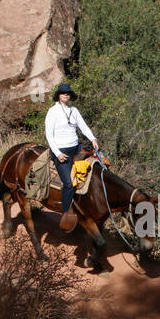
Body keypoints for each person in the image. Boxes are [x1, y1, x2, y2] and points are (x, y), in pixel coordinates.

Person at [43, 83, 99, 232]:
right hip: (61, 150)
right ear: (59, 95)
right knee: (69, 183)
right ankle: (66, 213)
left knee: (96, 165)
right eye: (63, 93)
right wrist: (58, 153)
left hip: (75, 147)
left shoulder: (74, 111)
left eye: (68, 93)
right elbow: (49, 134)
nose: (65, 95)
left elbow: (83, 126)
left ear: (70, 95)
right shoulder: (53, 111)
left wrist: (93, 139)